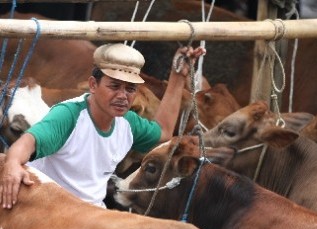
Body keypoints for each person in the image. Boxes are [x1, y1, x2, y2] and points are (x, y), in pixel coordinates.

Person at [0, 42, 206, 208]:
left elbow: (162, 132)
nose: (122, 96)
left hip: (93, 212)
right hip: (51, 210)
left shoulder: (127, 122)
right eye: (114, 86)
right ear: (93, 85)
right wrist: (11, 165)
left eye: (130, 89)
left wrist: (178, 77)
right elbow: (27, 142)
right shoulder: (69, 115)